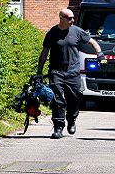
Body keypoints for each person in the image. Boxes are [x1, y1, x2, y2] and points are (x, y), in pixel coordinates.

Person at [37, 8, 106, 139]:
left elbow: (93, 43)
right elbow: (44, 52)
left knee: (74, 99)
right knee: (58, 100)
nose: (72, 20)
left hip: (73, 72)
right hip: (56, 71)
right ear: (61, 18)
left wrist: (100, 56)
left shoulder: (77, 31)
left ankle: (72, 119)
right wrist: (39, 71)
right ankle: (58, 126)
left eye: (73, 18)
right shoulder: (52, 33)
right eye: (69, 18)